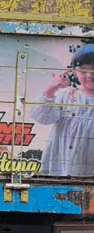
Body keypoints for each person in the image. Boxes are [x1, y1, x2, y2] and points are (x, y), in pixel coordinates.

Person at [31, 43, 94, 177]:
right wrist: (49, 91)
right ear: (75, 73)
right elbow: (44, 118)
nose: (90, 75)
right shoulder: (66, 96)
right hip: (61, 167)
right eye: (83, 70)